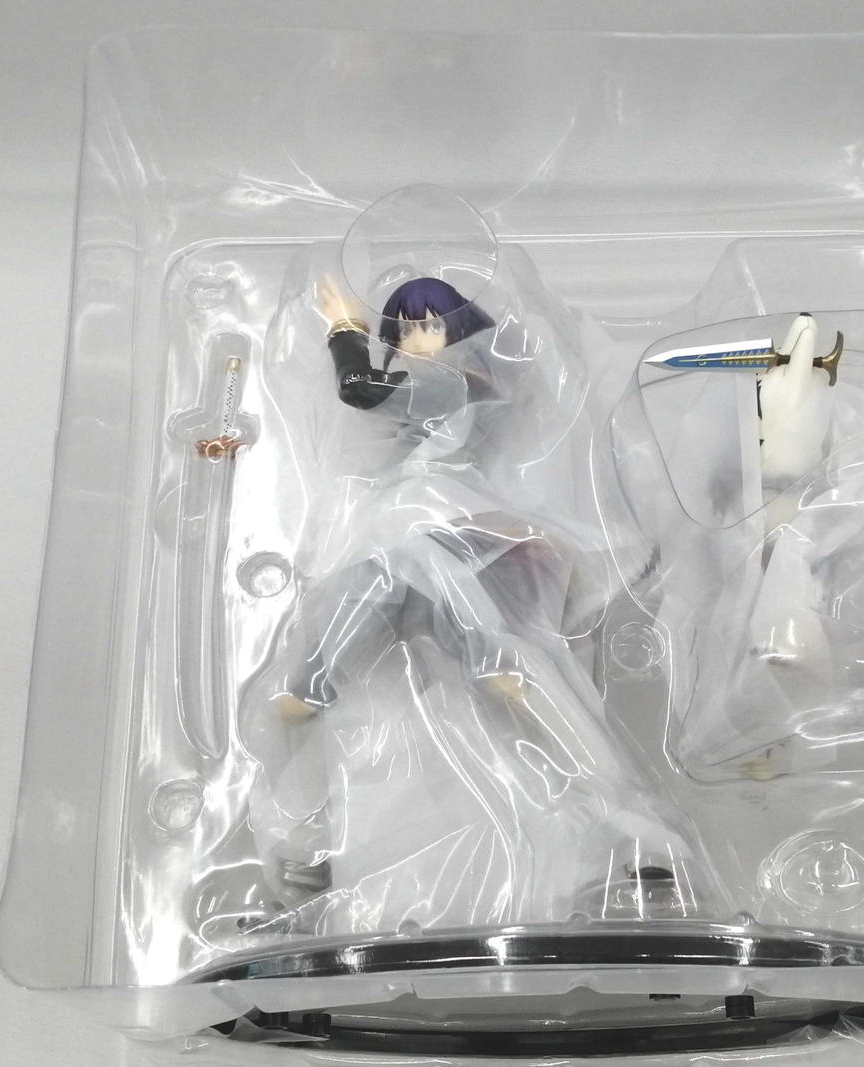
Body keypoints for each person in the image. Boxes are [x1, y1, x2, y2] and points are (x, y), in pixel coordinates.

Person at [243, 273, 713, 930]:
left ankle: (623, 823)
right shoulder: (430, 400)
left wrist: (345, 325)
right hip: (411, 529)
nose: (415, 340)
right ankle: (318, 770)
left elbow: (361, 389)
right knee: (379, 606)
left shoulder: (454, 384)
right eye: (404, 330)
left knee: (446, 622)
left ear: (458, 332)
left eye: (429, 326)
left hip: (442, 529)